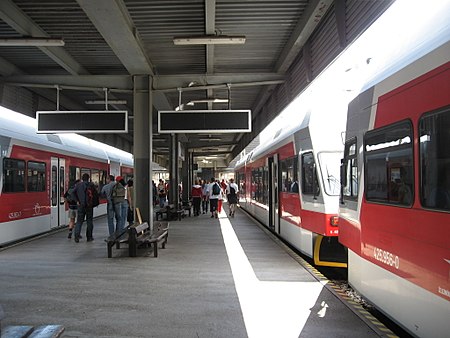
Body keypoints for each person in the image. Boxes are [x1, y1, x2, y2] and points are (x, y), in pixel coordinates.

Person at [73, 173, 95, 242]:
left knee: (79, 221)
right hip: (89, 206)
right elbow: (95, 194)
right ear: (88, 178)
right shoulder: (91, 185)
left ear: (82, 178)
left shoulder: (78, 185)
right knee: (89, 221)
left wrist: (77, 200)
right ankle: (89, 237)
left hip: (81, 205)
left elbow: (73, 193)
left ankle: (76, 236)